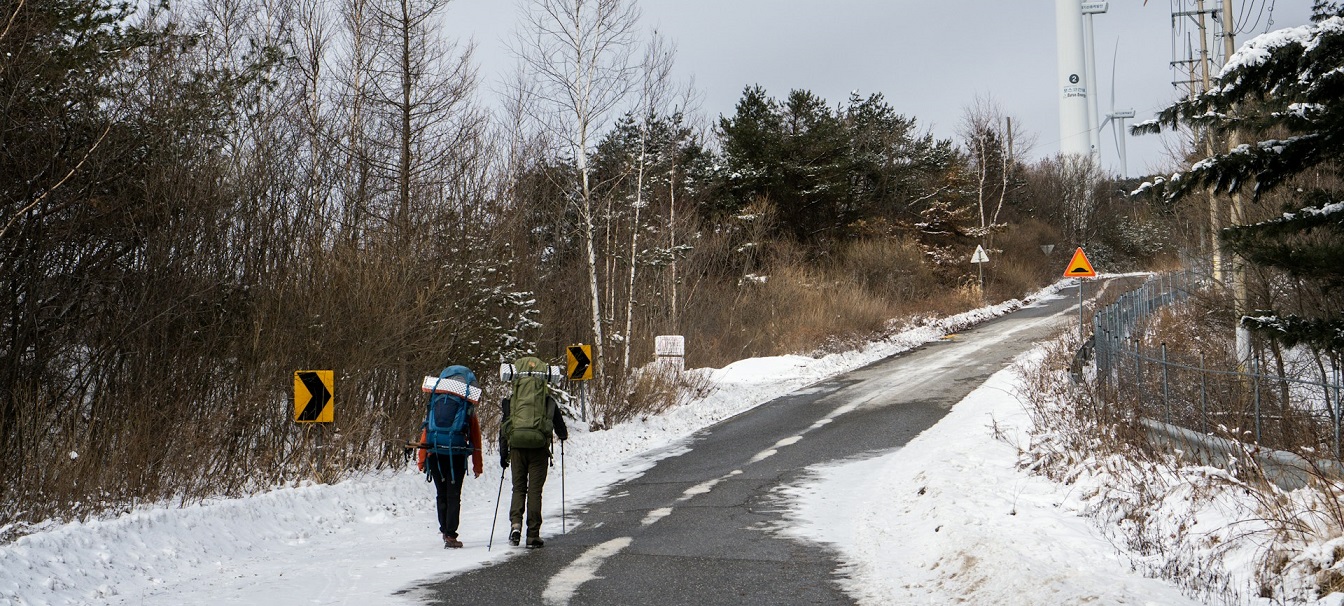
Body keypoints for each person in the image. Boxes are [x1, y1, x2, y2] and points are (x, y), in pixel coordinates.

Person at [498, 359, 568, 549]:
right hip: (539, 451)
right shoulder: (548, 402)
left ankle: (515, 525)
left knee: (518, 488)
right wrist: (562, 436)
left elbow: (504, 428)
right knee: (535, 491)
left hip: (517, 450)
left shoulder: (512, 401)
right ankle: (533, 535)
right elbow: (561, 430)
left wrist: (503, 455)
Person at [416, 366, 484, 549]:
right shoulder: (466, 406)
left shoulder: (436, 401)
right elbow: (475, 437)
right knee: (454, 495)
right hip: (456, 455)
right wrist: (477, 465)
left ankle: (445, 531)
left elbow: (427, 431)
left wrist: (422, 459)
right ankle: (451, 535)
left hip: (435, 452)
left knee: (441, 494)